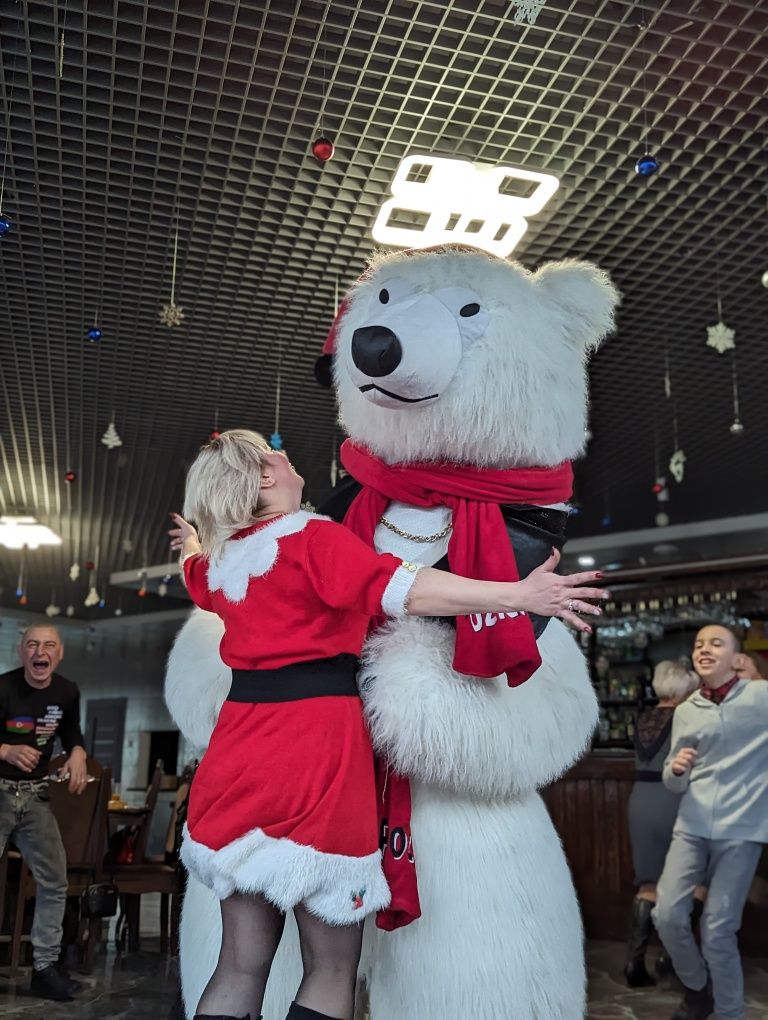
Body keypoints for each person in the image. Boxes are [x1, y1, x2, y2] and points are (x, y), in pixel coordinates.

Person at [168, 428, 607, 1020]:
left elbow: (193, 570)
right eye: (282, 455)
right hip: (314, 753)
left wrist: (196, 540)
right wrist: (516, 592)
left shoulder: (218, 566)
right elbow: (409, 588)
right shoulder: (314, 538)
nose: (291, 462)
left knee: (239, 964)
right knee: (330, 968)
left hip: (237, 755)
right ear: (265, 477)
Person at [653, 625, 768, 1020]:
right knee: (666, 914)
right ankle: (698, 986)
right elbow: (671, 778)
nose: (704, 649)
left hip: (743, 830)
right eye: (699, 644)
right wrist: (677, 768)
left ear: (736, 657)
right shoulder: (686, 709)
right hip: (692, 824)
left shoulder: (761, 697)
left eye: (716, 643)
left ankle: (730, 1013)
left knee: (719, 930)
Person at [0, 625, 88, 1001]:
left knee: (55, 882)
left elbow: (71, 732)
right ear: (21, 652)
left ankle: (44, 969)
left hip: (35, 798)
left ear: (59, 653)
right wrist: (4, 751)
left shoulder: (67, 691)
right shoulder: (2, 688)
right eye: (33, 645)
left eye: (49, 645)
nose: (41, 651)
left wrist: (79, 752)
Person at [624, 660, 701, 987]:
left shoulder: (642, 717)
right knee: (694, 881)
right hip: (674, 799)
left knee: (648, 884)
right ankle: (671, 958)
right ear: (685, 688)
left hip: (641, 800)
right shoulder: (688, 717)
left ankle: (634, 964)